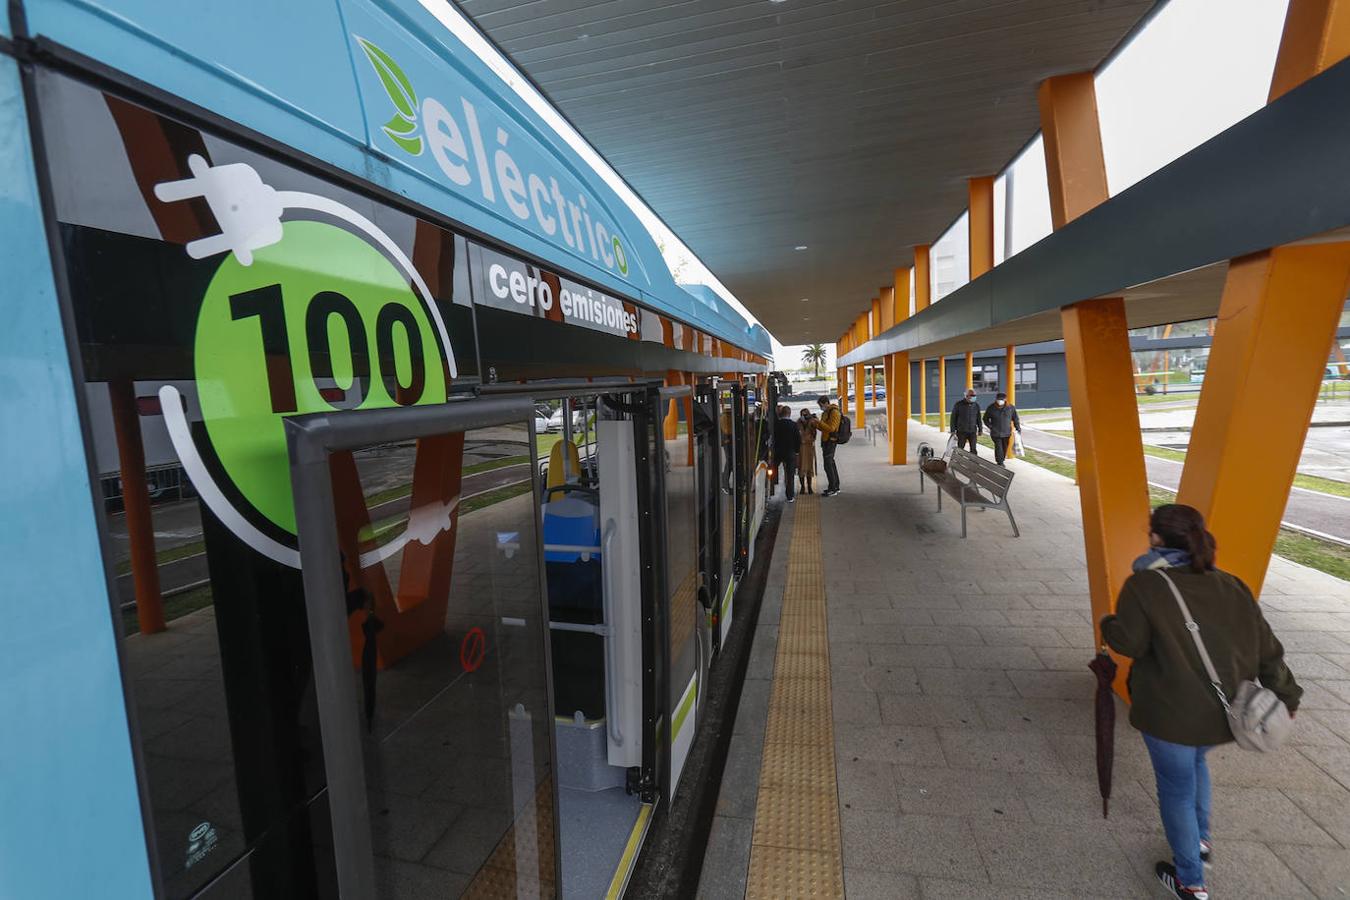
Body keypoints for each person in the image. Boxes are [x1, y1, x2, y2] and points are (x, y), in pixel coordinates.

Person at [1100, 504, 1301, 900]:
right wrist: (1287, 696)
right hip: (1222, 712)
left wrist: (1108, 624)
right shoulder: (1231, 584)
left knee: (1176, 787)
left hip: (1170, 716)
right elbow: (1268, 649)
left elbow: (1129, 642)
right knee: (1196, 765)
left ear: (1155, 538)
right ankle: (1202, 840)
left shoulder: (1144, 585)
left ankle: (1190, 881)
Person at [811, 395, 842, 496]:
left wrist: (819, 422)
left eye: (821, 405)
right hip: (826, 440)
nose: (820, 407)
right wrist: (816, 423)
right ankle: (835, 486)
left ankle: (833, 488)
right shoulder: (826, 412)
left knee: (828, 465)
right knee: (830, 464)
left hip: (831, 441)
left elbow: (831, 428)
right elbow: (824, 428)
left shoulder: (834, 412)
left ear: (826, 403)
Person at [981, 392, 1021, 467]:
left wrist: (1018, 427)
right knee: (999, 447)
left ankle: (1001, 459)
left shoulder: (1010, 408)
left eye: (1001, 399)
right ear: (996, 399)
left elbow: (1015, 418)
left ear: (1005, 399)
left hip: (1006, 432)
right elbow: (985, 419)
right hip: (995, 433)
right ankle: (1000, 462)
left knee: (1004, 447)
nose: (1000, 401)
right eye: (998, 399)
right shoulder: (991, 407)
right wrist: (990, 426)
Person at [772, 405, 800, 502]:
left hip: (778, 452)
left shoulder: (776, 424)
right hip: (790, 453)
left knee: (773, 469)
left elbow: (773, 438)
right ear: (789, 413)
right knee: (790, 475)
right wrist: (797, 452)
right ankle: (790, 496)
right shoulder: (793, 425)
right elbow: (798, 439)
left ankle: (770, 488)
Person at [950, 388, 982, 454]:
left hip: (973, 431)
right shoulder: (958, 405)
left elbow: (978, 418)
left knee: (973, 448)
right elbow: (953, 418)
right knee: (960, 448)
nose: (974, 397)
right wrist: (953, 430)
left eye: (975, 395)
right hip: (961, 431)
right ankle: (958, 461)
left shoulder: (976, 405)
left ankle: (973, 462)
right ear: (967, 396)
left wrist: (980, 429)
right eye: (972, 395)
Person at [797, 408, 818, 495]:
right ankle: (802, 487)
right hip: (801, 447)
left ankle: (809, 487)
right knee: (801, 467)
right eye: (802, 415)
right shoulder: (798, 422)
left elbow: (815, 434)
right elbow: (797, 433)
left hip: (809, 447)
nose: (804, 417)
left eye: (806, 415)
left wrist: (812, 422)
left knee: (809, 467)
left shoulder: (812, 422)